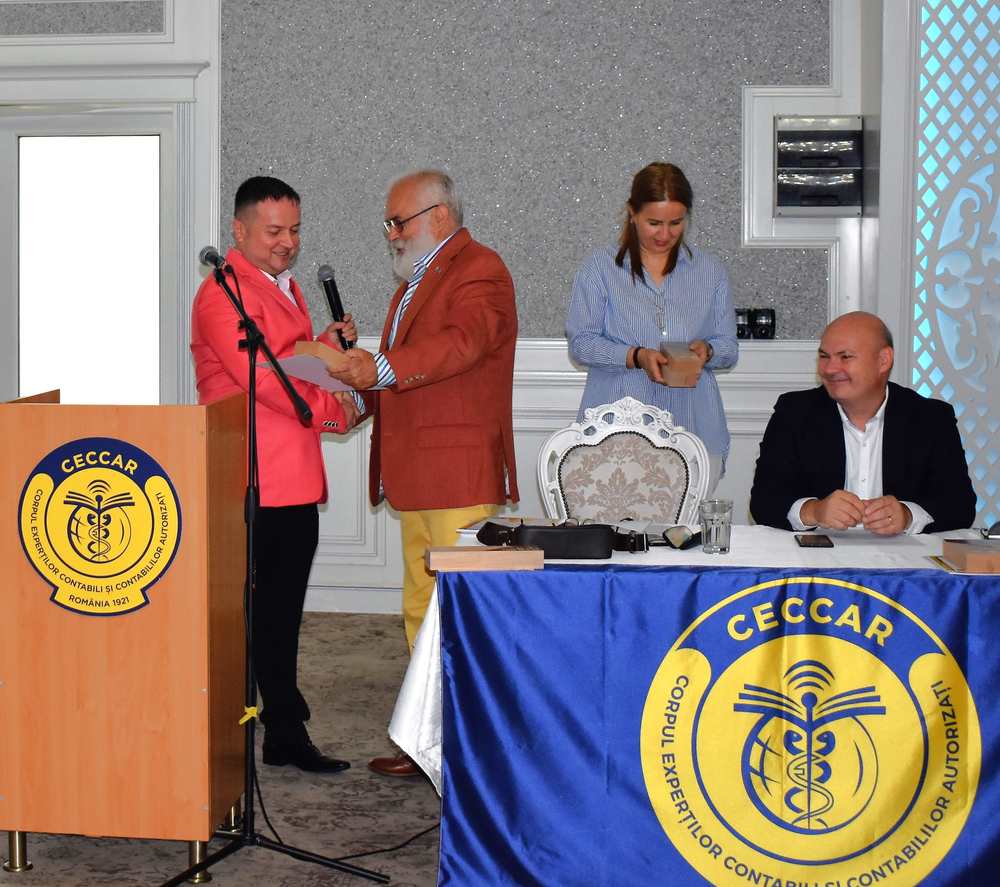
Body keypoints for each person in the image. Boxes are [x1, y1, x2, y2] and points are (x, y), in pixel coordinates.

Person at [326, 169, 519, 777]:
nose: (391, 233)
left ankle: (465, 749)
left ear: (439, 215)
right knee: (422, 607)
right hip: (419, 471)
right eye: (388, 223)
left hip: (457, 473)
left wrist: (379, 368)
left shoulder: (480, 270)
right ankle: (427, 740)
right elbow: (405, 370)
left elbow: (460, 346)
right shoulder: (417, 280)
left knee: (456, 610)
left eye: (398, 221)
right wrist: (358, 391)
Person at [191, 176, 360, 773]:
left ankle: (283, 728)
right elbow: (263, 380)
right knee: (259, 612)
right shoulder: (221, 294)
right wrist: (334, 408)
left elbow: (290, 357)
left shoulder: (281, 286)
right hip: (250, 476)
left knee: (282, 610)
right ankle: (269, 727)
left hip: (291, 474)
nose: (288, 242)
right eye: (274, 231)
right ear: (238, 231)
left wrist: (324, 347)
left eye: (294, 230)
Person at [566, 162, 737, 492]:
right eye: (654, 223)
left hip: (693, 426)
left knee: (690, 524)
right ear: (632, 213)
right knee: (617, 523)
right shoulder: (599, 269)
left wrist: (709, 350)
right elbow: (581, 344)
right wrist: (635, 356)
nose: (664, 234)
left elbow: (729, 348)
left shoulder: (710, 271)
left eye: (676, 223)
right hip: (617, 430)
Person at [749, 311, 977, 534]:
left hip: (901, 555)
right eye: (824, 356)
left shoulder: (931, 418)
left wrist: (908, 515)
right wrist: (815, 511)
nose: (829, 369)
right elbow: (763, 501)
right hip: (819, 555)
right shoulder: (794, 412)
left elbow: (960, 506)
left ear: (883, 360)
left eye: (845, 357)